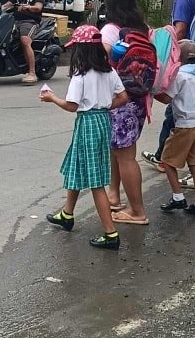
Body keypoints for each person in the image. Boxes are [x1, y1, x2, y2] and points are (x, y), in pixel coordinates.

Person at [41, 24, 128, 250]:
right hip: (102, 121)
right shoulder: (109, 71)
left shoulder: (80, 76)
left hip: (87, 122)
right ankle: (67, 214)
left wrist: (52, 98)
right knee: (77, 166)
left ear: (81, 51)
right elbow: (123, 97)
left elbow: (72, 105)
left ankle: (110, 233)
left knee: (96, 182)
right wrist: (105, 106)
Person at [141, 0, 195, 184]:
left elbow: (178, 33)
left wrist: (159, 60)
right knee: (178, 115)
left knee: (179, 116)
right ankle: (163, 156)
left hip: (185, 65)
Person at [100, 0, 149, 226]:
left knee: (126, 157)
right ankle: (114, 195)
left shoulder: (110, 30)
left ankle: (137, 211)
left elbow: (101, 63)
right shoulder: (142, 30)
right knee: (119, 151)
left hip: (119, 100)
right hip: (138, 99)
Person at [155, 40, 195, 217]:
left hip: (185, 126)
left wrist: (150, 92)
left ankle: (178, 197)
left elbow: (167, 98)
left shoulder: (179, 77)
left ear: (178, 57)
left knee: (167, 160)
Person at [2, 0, 45, 84]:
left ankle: (32, 73)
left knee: (25, 41)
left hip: (30, 21)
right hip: (14, 21)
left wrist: (28, 7)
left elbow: (38, 7)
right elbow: (8, 4)